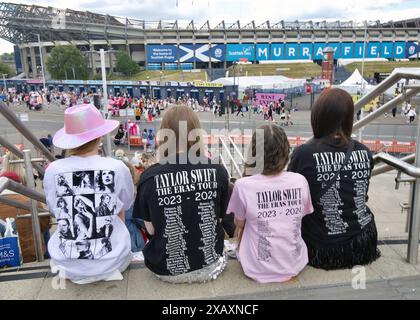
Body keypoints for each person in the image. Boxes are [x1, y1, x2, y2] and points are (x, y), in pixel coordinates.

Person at [133, 105, 229, 283]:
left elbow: (151, 229)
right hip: (210, 264)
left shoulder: (149, 177)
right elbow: (220, 220)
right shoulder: (219, 171)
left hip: (164, 269)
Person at [288, 88, 381, 270]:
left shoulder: (304, 153)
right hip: (364, 243)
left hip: (323, 249)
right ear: (348, 118)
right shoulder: (363, 152)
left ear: (318, 117)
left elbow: (293, 198)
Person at [43, 104, 134, 284]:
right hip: (113, 262)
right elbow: (127, 203)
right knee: (119, 207)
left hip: (66, 265)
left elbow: (56, 209)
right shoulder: (116, 167)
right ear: (99, 136)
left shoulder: (53, 170)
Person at [227, 125, 313, 283]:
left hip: (255, 268)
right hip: (294, 263)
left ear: (253, 153)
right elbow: (301, 216)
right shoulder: (299, 180)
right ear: (286, 151)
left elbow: (239, 224)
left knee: (243, 229)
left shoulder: (243, 185)